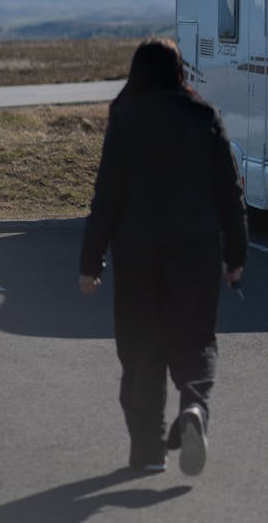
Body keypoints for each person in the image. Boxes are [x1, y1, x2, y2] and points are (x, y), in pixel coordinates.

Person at [79, 38, 247, 476]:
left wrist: (90, 261)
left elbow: (108, 194)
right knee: (195, 340)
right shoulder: (203, 116)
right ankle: (193, 407)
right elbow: (229, 192)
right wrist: (236, 254)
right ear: (179, 71)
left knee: (140, 349)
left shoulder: (125, 116)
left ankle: (149, 450)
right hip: (195, 251)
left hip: (137, 253)